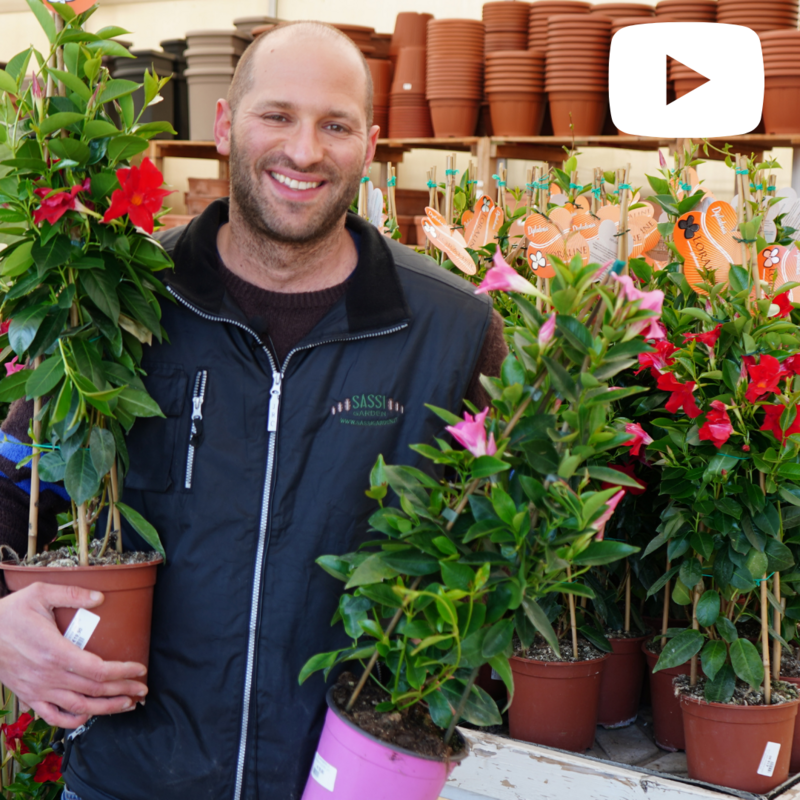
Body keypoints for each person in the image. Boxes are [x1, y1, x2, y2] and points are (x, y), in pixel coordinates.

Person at [0, 21, 506, 800]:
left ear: (369, 145)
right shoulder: (118, 302)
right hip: (128, 780)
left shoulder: (450, 330)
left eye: (334, 125)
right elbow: (13, 493)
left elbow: (500, 548)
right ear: (225, 124)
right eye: (277, 115)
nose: (304, 151)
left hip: (349, 779)